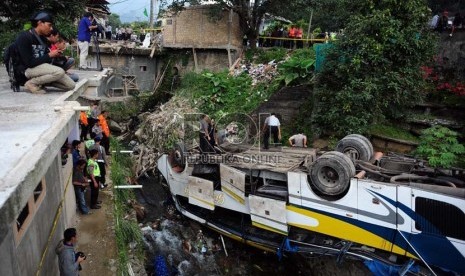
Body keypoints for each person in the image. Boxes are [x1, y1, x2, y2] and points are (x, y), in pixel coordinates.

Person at [16, 11, 75, 94]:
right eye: (49, 25)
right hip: (28, 70)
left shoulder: (43, 39)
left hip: (42, 69)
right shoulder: (24, 37)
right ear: (40, 23)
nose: (51, 28)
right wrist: (50, 55)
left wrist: (56, 55)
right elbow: (29, 63)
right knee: (59, 72)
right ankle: (31, 83)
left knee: (71, 85)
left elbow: (47, 59)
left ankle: (42, 82)